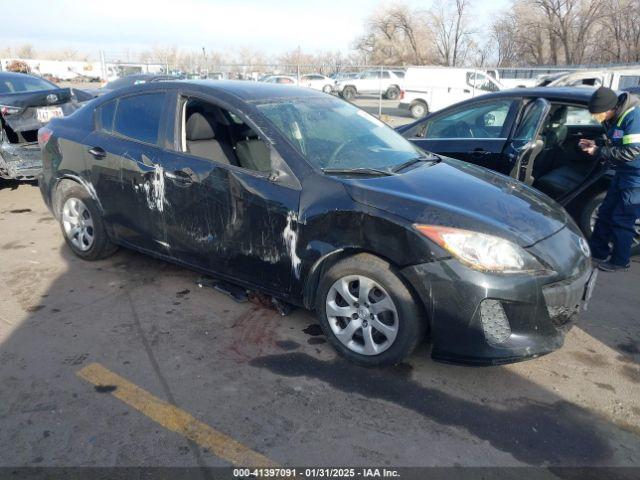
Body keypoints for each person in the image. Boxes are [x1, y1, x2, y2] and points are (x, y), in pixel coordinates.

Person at [579, 86, 640, 272]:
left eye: (597, 114)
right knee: (605, 213)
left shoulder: (633, 117)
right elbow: (615, 141)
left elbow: (633, 151)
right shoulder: (615, 116)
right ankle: (597, 252)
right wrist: (596, 144)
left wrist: (599, 151)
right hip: (623, 173)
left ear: (608, 108)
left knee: (622, 218)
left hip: (636, 178)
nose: (595, 118)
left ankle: (620, 261)